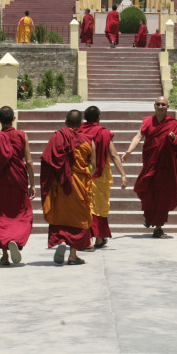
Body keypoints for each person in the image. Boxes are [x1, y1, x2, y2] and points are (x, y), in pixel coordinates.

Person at [122, 96, 177, 238]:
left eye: (163, 104)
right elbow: (139, 136)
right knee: (147, 190)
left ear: (168, 107)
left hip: (165, 167)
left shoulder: (173, 123)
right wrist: (128, 151)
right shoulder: (148, 122)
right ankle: (149, 217)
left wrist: (174, 138)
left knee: (163, 196)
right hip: (151, 163)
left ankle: (158, 227)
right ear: (154, 106)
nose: (161, 106)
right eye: (158, 104)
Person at [40, 109, 94, 265]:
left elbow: (47, 159)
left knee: (60, 215)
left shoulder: (57, 137)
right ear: (82, 123)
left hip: (60, 185)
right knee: (79, 218)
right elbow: (94, 165)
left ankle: (61, 241)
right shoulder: (88, 141)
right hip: (78, 185)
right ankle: (73, 255)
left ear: (66, 122)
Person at [0, 106, 34, 265]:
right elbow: (29, 162)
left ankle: (5, 255)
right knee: (23, 215)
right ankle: (16, 241)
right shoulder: (22, 136)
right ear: (14, 119)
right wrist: (33, 184)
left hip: (1, 182)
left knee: (1, 217)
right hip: (19, 181)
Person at [79, 106, 128, 248]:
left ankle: (88, 238)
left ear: (85, 118)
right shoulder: (104, 133)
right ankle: (99, 238)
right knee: (98, 206)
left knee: (86, 205)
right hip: (100, 174)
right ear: (99, 118)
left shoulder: (79, 131)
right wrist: (123, 174)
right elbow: (113, 155)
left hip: (82, 173)